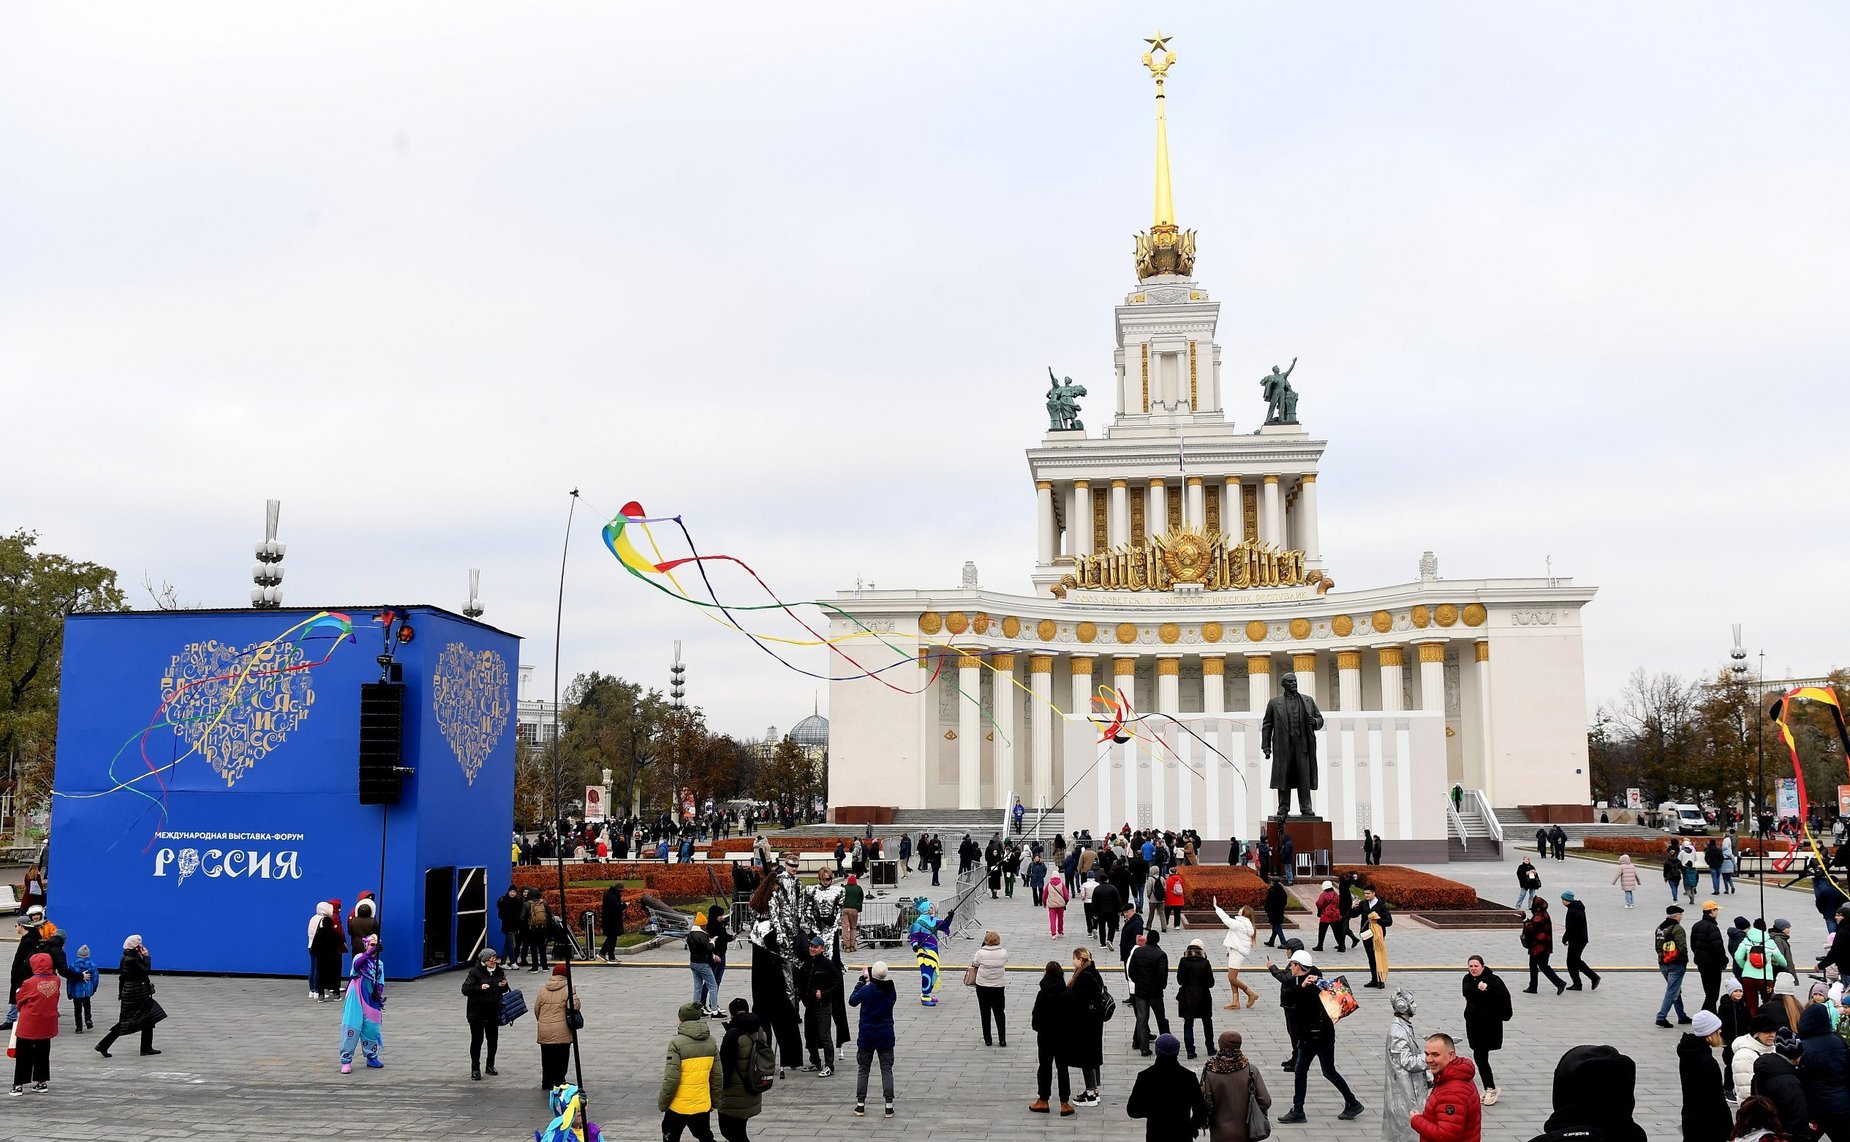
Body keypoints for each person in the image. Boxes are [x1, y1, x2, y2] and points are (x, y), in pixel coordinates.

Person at [1278, 949, 1365, 1123]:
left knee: (1312, 1072)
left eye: (1292, 965)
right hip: (1319, 1036)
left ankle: (1300, 1110)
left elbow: (1288, 999)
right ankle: (1350, 1102)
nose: (1290, 968)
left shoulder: (1310, 987)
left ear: (1299, 967)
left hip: (1314, 1037)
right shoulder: (1313, 979)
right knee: (1321, 1071)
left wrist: (1301, 988)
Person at [660, 1000, 723, 1141]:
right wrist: (714, 1101)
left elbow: (671, 1078)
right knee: (705, 1136)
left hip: (678, 1106)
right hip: (702, 1104)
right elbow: (717, 1076)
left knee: (670, 1135)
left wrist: (663, 1103)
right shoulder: (711, 1042)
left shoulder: (676, 1043)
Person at [1127, 1032, 1209, 1141]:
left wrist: (1154, 1112)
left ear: (1157, 1051)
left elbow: (1132, 1110)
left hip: (1156, 1134)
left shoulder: (1146, 1076)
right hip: (1182, 1134)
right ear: (1177, 1052)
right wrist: (1191, 1127)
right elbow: (1201, 1111)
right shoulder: (1188, 1077)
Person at [94, 934, 163, 1059]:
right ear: (136, 947)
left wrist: (121, 992)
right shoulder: (133, 959)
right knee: (134, 1020)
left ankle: (145, 1047)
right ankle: (105, 1045)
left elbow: (122, 977)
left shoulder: (126, 957)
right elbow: (145, 970)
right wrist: (147, 957)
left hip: (130, 992)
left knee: (146, 1018)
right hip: (137, 993)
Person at [848, 960, 897, 1119]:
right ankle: (888, 1106)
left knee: (863, 1070)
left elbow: (852, 1001)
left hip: (867, 1035)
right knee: (886, 1069)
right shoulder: (891, 990)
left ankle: (860, 1105)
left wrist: (861, 982)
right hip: (885, 1035)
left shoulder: (867, 990)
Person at [1409, 1033, 1481, 1142]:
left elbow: (1446, 1136)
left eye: (1435, 1055)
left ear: (1451, 1055)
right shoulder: (1454, 1076)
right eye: (1427, 1054)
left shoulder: (1452, 1093)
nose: (1429, 1059)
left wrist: (1416, 1120)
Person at [1201, 1029, 1270, 1142]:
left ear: (1221, 1045)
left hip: (1220, 1131)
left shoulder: (1210, 1070)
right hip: (1247, 1131)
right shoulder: (1251, 1070)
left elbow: (1207, 1103)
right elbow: (1265, 1101)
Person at [1459, 955, 1510, 1106]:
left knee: (1481, 1055)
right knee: (1479, 1055)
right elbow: (1469, 993)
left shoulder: (1493, 980)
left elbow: (1503, 997)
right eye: (1470, 966)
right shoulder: (1467, 979)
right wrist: (1481, 991)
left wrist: (1486, 990)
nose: (1473, 969)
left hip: (1489, 1025)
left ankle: (1490, 1088)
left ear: (1482, 966)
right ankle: (1489, 1087)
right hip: (1473, 1023)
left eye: (1476, 966)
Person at [717, 998, 769, 1141]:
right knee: (739, 1130)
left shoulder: (733, 1035)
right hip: (752, 1086)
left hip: (734, 1093)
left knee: (729, 1131)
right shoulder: (759, 1030)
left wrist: (718, 1091)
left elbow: (724, 1066)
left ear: (732, 1014)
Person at [1029, 960, 1075, 1116]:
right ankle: (1064, 1103)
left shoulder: (1043, 993)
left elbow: (1036, 1016)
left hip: (1046, 1036)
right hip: (1064, 1036)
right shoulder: (1068, 992)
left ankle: (1043, 1100)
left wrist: (1038, 1028)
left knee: (1044, 1067)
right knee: (1063, 1069)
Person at [1678, 1009, 1732, 1142]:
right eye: (1718, 1030)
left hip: (1691, 1119)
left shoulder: (1688, 1053)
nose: (1720, 1033)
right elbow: (1716, 1099)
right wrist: (1729, 1128)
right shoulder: (1707, 1062)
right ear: (1709, 1033)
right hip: (1708, 1125)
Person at [1799, 1002, 1850, 1142]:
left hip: (1816, 1107)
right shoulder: (1838, 1041)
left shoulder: (1804, 1046)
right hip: (1842, 1105)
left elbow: (1803, 1077)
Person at [10, 951, 59, 1095]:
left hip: (29, 1023)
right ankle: (41, 1081)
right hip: (47, 1023)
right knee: (43, 1052)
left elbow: (19, 998)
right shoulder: (56, 981)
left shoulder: (29, 983)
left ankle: (18, 1084)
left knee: (23, 1053)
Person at [1751, 1029, 1809, 1142]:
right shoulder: (1790, 1081)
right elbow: (1797, 1116)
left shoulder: (1762, 1071)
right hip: (1786, 1134)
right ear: (1796, 1054)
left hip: (1767, 1133)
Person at [338, 933, 385, 1074]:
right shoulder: (359, 957)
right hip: (356, 995)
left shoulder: (380, 964)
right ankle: (346, 1060)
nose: (374, 948)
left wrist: (379, 991)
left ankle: (372, 1056)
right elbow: (357, 967)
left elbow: (381, 980)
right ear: (366, 945)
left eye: (376, 945)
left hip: (371, 997)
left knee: (372, 1028)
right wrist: (369, 953)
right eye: (372, 945)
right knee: (352, 1026)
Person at [461, 947, 510, 1080]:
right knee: (477, 1040)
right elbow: (465, 989)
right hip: (476, 1012)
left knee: (492, 1040)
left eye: (495, 958)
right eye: (491, 959)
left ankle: (490, 1065)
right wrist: (479, 988)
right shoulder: (475, 972)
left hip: (493, 1011)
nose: (494, 961)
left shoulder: (499, 971)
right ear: (484, 960)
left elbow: (504, 989)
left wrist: (504, 985)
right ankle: (475, 1068)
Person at [1068, 946, 1108, 1107]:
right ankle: (1095, 1090)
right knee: (1093, 1056)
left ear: (1081, 960)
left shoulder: (1084, 976)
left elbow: (1078, 1001)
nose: (1073, 962)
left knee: (1086, 1057)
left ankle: (1090, 1093)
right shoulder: (1094, 972)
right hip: (1095, 1022)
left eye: (1074, 958)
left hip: (1085, 1023)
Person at [1383, 990, 1426, 1141]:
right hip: (1404, 1091)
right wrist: (1431, 1057)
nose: (1415, 1005)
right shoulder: (1397, 1032)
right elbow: (1407, 1062)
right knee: (1405, 1130)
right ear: (1402, 1006)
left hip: (1407, 1088)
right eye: (1412, 1002)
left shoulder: (1404, 1026)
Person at [797, 935, 841, 1076]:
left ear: (822, 948)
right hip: (809, 1005)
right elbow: (802, 980)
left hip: (823, 1005)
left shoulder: (827, 964)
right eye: (811, 946)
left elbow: (837, 983)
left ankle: (829, 1065)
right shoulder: (808, 962)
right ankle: (815, 1062)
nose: (812, 949)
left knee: (824, 1035)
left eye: (815, 947)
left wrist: (824, 993)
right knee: (809, 1035)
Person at [533, 962, 580, 1091]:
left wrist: (543, 1021)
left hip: (544, 1029)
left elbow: (537, 1009)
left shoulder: (543, 989)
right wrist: (574, 994)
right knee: (562, 1056)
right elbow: (573, 1007)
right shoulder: (568, 988)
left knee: (546, 1056)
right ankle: (559, 1080)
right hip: (562, 1029)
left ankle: (547, 1081)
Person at [1128, 930, 1173, 1056]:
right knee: (1161, 1019)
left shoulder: (1138, 951)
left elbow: (1131, 970)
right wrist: (1161, 986)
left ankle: (1144, 1049)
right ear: (1158, 940)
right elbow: (1163, 974)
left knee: (1142, 1020)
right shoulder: (1160, 954)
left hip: (1140, 991)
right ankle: (1166, 1045)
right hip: (1155, 992)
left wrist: (1138, 982)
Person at [1211, 899, 1260, 1010]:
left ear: (1244, 913)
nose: (1239, 909)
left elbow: (1226, 919)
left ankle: (1250, 993)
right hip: (1235, 951)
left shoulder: (1240, 924)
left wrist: (1216, 907)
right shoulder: (1245, 924)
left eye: (1241, 909)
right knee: (1232, 977)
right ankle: (1235, 1001)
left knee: (1232, 977)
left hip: (1237, 952)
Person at [1736, 918, 1789, 1018]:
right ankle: (1766, 1023)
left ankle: (1753, 1025)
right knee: (1768, 1002)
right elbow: (1782, 961)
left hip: (1748, 977)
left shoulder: (1746, 940)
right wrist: (1782, 964)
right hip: (1766, 978)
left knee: (1751, 1004)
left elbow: (1738, 956)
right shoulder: (1770, 942)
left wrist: (1745, 967)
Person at [906, 898, 953, 1007]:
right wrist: (915, 945)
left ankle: (928, 993)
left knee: (933, 973)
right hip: (924, 952)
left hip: (933, 952)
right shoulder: (918, 923)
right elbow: (914, 936)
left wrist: (950, 917)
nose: (932, 908)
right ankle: (925, 996)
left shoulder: (933, 920)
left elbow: (944, 925)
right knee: (926, 973)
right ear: (926, 909)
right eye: (930, 907)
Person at [1177, 938, 1216, 1060]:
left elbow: (1179, 980)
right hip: (1203, 997)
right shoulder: (1205, 963)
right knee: (1207, 1023)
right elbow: (1211, 983)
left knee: (1188, 1023)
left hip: (1187, 996)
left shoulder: (1183, 961)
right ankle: (1210, 1048)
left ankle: (1190, 1051)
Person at [1555, 890, 1600, 991]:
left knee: (1572, 961)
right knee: (1575, 960)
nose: (1562, 902)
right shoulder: (1577, 907)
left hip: (1576, 940)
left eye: (1562, 900)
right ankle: (1580, 982)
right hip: (1580, 939)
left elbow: (1571, 927)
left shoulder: (1573, 911)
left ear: (1567, 900)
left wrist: (1565, 937)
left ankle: (1589, 979)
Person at [1658, 904, 1694, 1028]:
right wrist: (1684, 960)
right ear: (1677, 916)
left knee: (1675, 989)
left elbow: (1657, 947)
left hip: (1663, 963)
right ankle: (1661, 1017)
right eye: (1681, 915)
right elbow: (1682, 947)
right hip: (1676, 964)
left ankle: (1681, 1016)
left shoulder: (1660, 928)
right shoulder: (1677, 928)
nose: (1681, 917)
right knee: (1672, 991)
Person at [1521, 898, 1567, 995]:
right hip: (1543, 946)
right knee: (1536, 965)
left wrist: (1525, 921)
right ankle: (1533, 986)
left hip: (1539, 947)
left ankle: (1559, 983)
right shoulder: (1543, 913)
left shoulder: (1540, 916)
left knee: (1541, 966)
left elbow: (1531, 927)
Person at [1734, 1012, 1782, 1104]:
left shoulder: (1773, 1049)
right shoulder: (1744, 1056)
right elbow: (1746, 1091)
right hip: (1755, 1109)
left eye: (1774, 1031)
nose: (1772, 1035)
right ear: (1756, 1034)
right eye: (1767, 1032)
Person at [972, 931, 1009, 1047]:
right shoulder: (1003, 952)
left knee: (985, 1012)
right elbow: (1005, 960)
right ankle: (1002, 1039)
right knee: (999, 1012)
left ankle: (988, 1039)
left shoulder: (980, 953)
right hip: (998, 985)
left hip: (982, 985)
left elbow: (975, 964)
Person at [1693, 899, 1729, 1013]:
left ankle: (1711, 1013)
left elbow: (1693, 945)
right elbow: (1717, 947)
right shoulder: (1712, 927)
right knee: (1713, 993)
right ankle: (1705, 1013)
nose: (1717, 912)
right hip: (1713, 965)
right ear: (1711, 911)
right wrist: (1724, 960)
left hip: (1702, 963)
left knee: (1708, 991)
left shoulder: (1696, 925)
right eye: (1716, 910)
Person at [308, 901, 345, 1001]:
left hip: (319, 953)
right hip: (332, 956)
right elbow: (341, 940)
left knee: (316, 970)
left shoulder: (314, 921)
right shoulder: (333, 933)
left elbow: (312, 937)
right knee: (334, 974)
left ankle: (316, 991)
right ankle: (335, 993)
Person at [1359, 886, 1392, 988]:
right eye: (1365, 893)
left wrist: (1377, 920)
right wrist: (1352, 907)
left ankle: (1381, 980)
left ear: (1373, 893)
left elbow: (1389, 922)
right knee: (1371, 958)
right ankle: (1374, 979)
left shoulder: (1381, 906)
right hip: (1367, 935)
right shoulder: (1363, 904)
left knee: (1379, 957)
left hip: (1377, 936)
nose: (1366, 896)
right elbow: (1353, 914)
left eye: (1368, 893)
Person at [688, 921, 720, 1017]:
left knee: (697, 987)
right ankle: (714, 1010)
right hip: (702, 963)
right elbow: (708, 948)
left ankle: (696, 1009)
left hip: (693, 962)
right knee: (713, 986)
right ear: (702, 925)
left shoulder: (690, 934)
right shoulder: (702, 935)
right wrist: (712, 943)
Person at [66, 943, 96, 1034]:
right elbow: (95, 979)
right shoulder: (92, 965)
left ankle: (79, 1027)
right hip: (87, 990)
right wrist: (93, 988)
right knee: (87, 1004)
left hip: (76, 991)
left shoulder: (73, 965)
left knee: (77, 1008)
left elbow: (70, 979)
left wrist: (69, 991)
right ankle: (88, 1019)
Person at [1314, 881, 1346, 953]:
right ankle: (1342, 946)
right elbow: (1339, 903)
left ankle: (1320, 946)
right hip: (1335, 915)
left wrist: (1320, 911)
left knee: (1322, 932)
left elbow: (1319, 904)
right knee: (1337, 932)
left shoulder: (1323, 895)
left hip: (1326, 915)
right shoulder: (1336, 894)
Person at [598, 884, 626, 962]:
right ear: (619, 890)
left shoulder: (609, 894)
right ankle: (611, 956)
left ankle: (602, 953)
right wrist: (624, 905)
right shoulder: (613, 897)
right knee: (612, 938)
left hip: (609, 920)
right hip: (613, 921)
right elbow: (616, 908)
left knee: (610, 937)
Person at [1264, 879, 1289, 948]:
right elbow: (1285, 902)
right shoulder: (1282, 891)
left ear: (1272, 883)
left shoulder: (1272, 891)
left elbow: (1268, 902)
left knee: (1277, 926)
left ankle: (1283, 942)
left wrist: (1267, 910)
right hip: (1280, 911)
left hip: (1273, 912)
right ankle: (1271, 941)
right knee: (1275, 926)